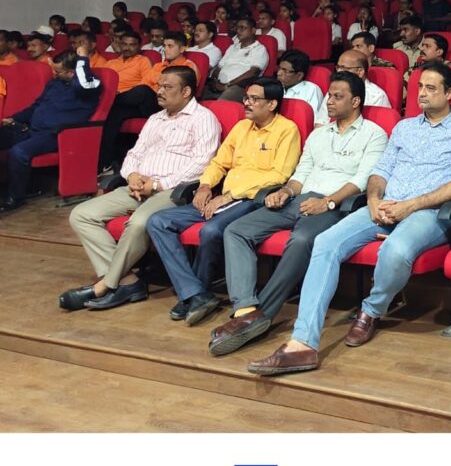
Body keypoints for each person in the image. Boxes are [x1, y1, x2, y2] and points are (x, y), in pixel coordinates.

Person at [247, 62, 451, 376]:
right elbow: (380, 172)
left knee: (395, 250)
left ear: (450, 92)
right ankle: (302, 343)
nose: (422, 94)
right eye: (419, 87)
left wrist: (410, 206)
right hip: (384, 206)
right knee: (325, 243)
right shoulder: (404, 127)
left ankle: (371, 310)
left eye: (431, 88)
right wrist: (373, 200)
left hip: (428, 212)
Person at [210, 72, 388, 356]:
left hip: (337, 205)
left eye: (337, 96)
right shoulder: (319, 134)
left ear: (355, 101)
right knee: (236, 230)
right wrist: (286, 191)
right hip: (301, 199)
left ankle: (264, 313)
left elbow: (363, 179)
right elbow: (301, 174)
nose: (329, 101)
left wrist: (327, 202)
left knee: (303, 239)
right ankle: (245, 309)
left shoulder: (374, 134)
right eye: (329, 95)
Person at [61, 66, 220, 311]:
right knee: (81, 214)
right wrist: (133, 175)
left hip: (172, 190)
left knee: (138, 223)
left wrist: (157, 185)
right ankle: (128, 281)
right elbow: (135, 153)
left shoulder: (203, 119)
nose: (160, 91)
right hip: (138, 187)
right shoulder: (155, 119)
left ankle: (106, 284)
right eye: (159, 86)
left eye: (167, 87)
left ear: (186, 91)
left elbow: (203, 163)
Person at [145, 78, 301, 326]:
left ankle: (197, 292)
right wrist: (205, 186)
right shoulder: (241, 127)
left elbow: (279, 175)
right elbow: (219, 163)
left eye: (254, 99)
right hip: (222, 198)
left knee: (211, 230)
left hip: (251, 200)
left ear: (272, 104)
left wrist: (229, 196)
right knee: (158, 221)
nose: (246, 103)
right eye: (246, 98)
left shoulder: (286, 130)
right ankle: (195, 293)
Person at [0, 47, 103, 212]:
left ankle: (15, 197)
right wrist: (14, 118)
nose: (54, 74)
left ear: (71, 72)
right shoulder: (55, 83)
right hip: (31, 129)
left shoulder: (90, 85)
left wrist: (83, 58)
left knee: (18, 152)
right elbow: (36, 105)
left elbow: (83, 84)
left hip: (56, 135)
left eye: (58, 71)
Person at [99, 31, 199, 172]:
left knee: (142, 91)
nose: (166, 49)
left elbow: (185, 94)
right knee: (116, 112)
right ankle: (105, 162)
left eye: (170, 46)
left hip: (168, 106)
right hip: (148, 103)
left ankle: (107, 101)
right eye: (165, 46)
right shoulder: (158, 66)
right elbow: (145, 82)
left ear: (182, 49)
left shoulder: (187, 67)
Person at [314, 50, 391, 125]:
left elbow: (376, 128)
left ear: (360, 72)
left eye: (344, 68)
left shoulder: (377, 96)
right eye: (338, 67)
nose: (339, 72)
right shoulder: (333, 91)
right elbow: (320, 123)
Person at [206, 18, 269, 102]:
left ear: (253, 30)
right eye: (237, 28)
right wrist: (216, 82)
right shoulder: (232, 47)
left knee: (222, 101)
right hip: (220, 85)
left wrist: (229, 84)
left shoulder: (259, 49)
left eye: (242, 28)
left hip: (241, 87)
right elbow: (219, 68)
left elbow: (253, 72)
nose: (238, 31)